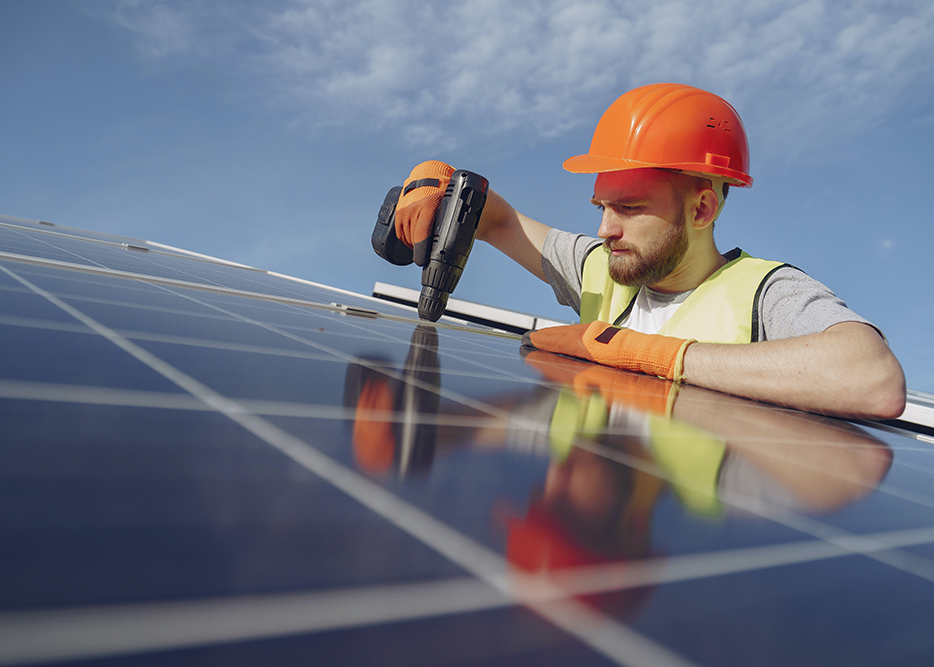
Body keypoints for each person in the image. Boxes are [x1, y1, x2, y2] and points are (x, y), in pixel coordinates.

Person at [392, 83, 905, 420]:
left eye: (630, 208)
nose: (605, 228)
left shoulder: (763, 293)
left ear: (702, 210)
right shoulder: (604, 268)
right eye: (601, 205)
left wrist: (643, 355)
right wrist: (436, 178)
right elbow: (494, 217)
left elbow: (872, 378)